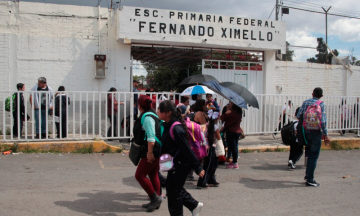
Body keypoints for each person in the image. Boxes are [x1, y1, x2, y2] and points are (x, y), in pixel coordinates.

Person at [157, 100, 205, 216]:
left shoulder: (176, 129)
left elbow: (186, 149)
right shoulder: (167, 125)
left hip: (181, 165)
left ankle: (189, 208)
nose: (157, 111)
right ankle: (194, 205)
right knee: (173, 188)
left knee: (174, 194)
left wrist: (198, 168)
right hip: (174, 164)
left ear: (168, 113)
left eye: (160, 109)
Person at [133, 95, 162, 212]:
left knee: (139, 175)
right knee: (153, 175)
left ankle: (155, 199)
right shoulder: (153, 114)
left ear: (139, 105)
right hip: (157, 149)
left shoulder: (147, 117)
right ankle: (156, 200)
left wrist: (150, 154)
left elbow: (151, 138)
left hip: (152, 150)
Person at [297, 87, 330, 187]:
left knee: (309, 154)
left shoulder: (305, 102)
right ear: (321, 96)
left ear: (312, 94)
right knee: (313, 156)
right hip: (316, 133)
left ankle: (308, 176)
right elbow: (323, 121)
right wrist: (326, 134)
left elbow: (299, 115)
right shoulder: (321, 104)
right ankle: (310, 179)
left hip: (306, 133)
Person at [197, 109, 220, 189]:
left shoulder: (205, 125)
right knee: (209, 165)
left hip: (206, 147)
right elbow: (218, 137)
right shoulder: (214, 126)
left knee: (210, 164)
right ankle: (202, 182)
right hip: (211, 147)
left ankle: (211, 179)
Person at [221, 102, 243, 169]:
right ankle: (234, 161)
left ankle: (235, 163)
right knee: (234, 147)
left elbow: (222, 118)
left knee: (233, 147)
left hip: (231, 131)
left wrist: (226, 113)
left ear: (233, 104)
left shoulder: (231, 112)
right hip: (237, 131)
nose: (229, 104)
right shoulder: (239, 112)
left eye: (230, 103)